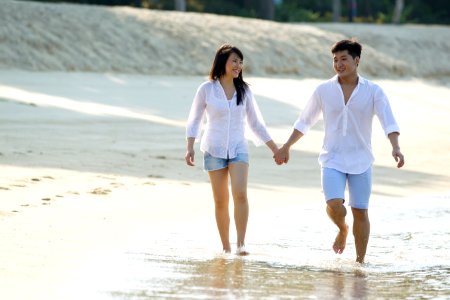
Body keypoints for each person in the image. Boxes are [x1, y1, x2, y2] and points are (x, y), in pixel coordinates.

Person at [274, 39, 405, 263]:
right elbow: (304, 121)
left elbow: (388, 122)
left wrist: (396, 147)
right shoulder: (323, 90)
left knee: (360, 211)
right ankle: (343, 229)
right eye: (335, 59)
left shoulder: (374, 91)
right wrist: (286, 146)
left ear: (356, 60)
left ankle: (360, 263)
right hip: (332, 158)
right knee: (334, 204)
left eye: (344, 59)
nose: (338, 63)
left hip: (361, 159)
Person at [185, 44, 278, 255]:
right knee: (220, 200)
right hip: (213, 148)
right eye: (234, 61)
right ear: (223, 62)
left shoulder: (244, 91)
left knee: (240, 194)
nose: (238, 65)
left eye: (240, 61)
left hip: (238, 147)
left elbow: (256, 123)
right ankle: (226, 247)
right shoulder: (206, 89)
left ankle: (241, 244)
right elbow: (195, 119)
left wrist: (275, 148)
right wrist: (190, 146)